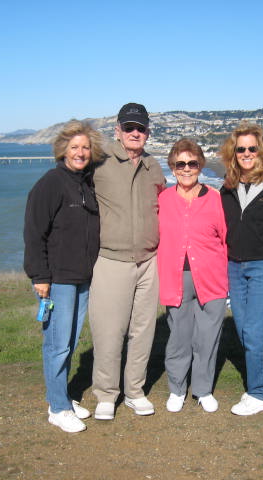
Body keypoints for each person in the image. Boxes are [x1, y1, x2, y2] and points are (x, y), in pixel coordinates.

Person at [23, 120, 103, 433]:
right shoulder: (51, 183)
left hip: (83, 277)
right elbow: (34, 233)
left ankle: (62, 397)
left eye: (85, 147)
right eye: (74, 147)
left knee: (69, 342)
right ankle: (57, 408)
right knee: (57, 344)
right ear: (63, 150)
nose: (80, 153)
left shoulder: (86, 182)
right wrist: (39, 276)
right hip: (58, 279)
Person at [88, 103, 166, 420]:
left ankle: (134, 391)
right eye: (129, 127)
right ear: (117, 130)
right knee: (109, 332)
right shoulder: (99, 161)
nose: (136, 133)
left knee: (143, 331)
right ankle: (106, 394)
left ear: (148, 132)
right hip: (111, 259)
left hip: (149, 261)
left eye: (141, 128)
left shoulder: (153, 166)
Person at [157, 138, 228, 413]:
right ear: (172, 167)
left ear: (200, 165)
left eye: (192, 163)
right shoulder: (163, 199)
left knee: (207, 338)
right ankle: (177, 388)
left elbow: (225, 238)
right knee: (179, 336)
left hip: (212, 278)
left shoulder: (215, 198)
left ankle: (202, 389)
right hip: (176, 278)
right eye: (180, 164)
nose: (186, 169)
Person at [219, 123, 263, 416]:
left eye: (251, 148)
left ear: (260, 150)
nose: (246, 153)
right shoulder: (228, 187)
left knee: (255, 332)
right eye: (240, 148)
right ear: (234, 152)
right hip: (234, 266)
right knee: (244, 330)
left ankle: (262, 393)